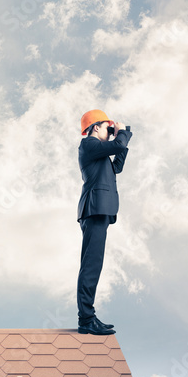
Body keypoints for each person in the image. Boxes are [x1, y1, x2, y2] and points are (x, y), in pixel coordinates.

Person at [76, 109, 133, 336]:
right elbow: (117, 146)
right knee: (91, 265)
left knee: (94, 265)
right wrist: (120, 133)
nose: (110, 133)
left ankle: (88, 317)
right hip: (94, 209)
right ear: (95, 127)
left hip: (100, 211)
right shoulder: (88, 144)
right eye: (107, 128)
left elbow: (117, 165)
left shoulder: (101, 155)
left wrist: (123, 134)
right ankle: (86, 319)